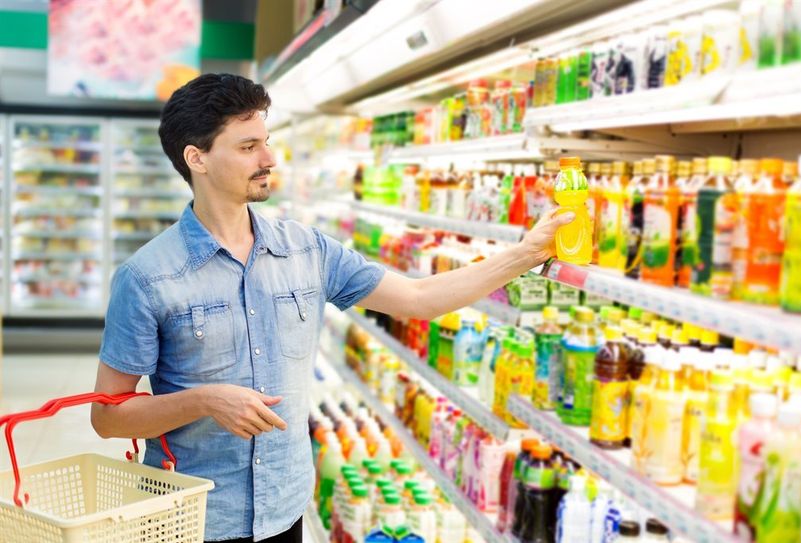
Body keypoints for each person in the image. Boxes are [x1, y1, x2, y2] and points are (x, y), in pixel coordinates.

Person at [91, 73, 574, 543]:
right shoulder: (147, 277)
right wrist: (203, 401)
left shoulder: (307, 250)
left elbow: (419, 300)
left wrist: (527, 253)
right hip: (192, 518)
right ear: (196, 158)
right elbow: (108, 417)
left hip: (284, 510)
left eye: (266, 141)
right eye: (247, 147)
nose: (269, 158)